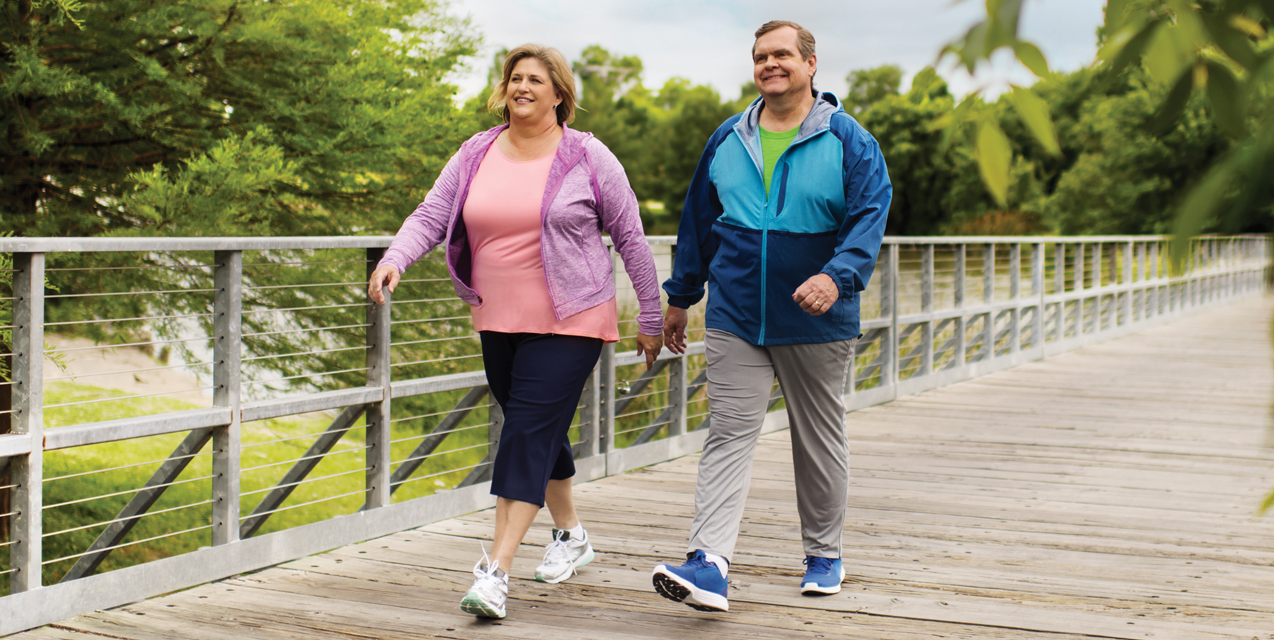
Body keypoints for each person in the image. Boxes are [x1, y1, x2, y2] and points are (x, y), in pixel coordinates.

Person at [366, 43, 663, 620]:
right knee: (537, 428)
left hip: (573, 317)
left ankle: (495, 572)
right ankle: (571, 534)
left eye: (535, 79)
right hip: (496, 316)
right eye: (515, 78)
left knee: (525, 429)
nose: (523, 86)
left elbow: (631, 237)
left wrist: (650, 316)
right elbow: (432, 213)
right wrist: (396, 257)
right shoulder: (477, 150)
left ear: (560, 94)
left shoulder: (588, 157)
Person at [650, 20, 890, 612]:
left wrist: (836, 277)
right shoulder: (729, 137)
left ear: (811, 64)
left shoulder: (848, 139)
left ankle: (824, 553)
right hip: (735, 314)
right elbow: (698, 222)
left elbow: (869, 217)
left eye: (782, 54)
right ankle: (709, 564)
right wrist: (681, 296)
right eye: (761, 56)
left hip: (815, 317)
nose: (770, 64)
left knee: (817, 438)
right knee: (729, 435)